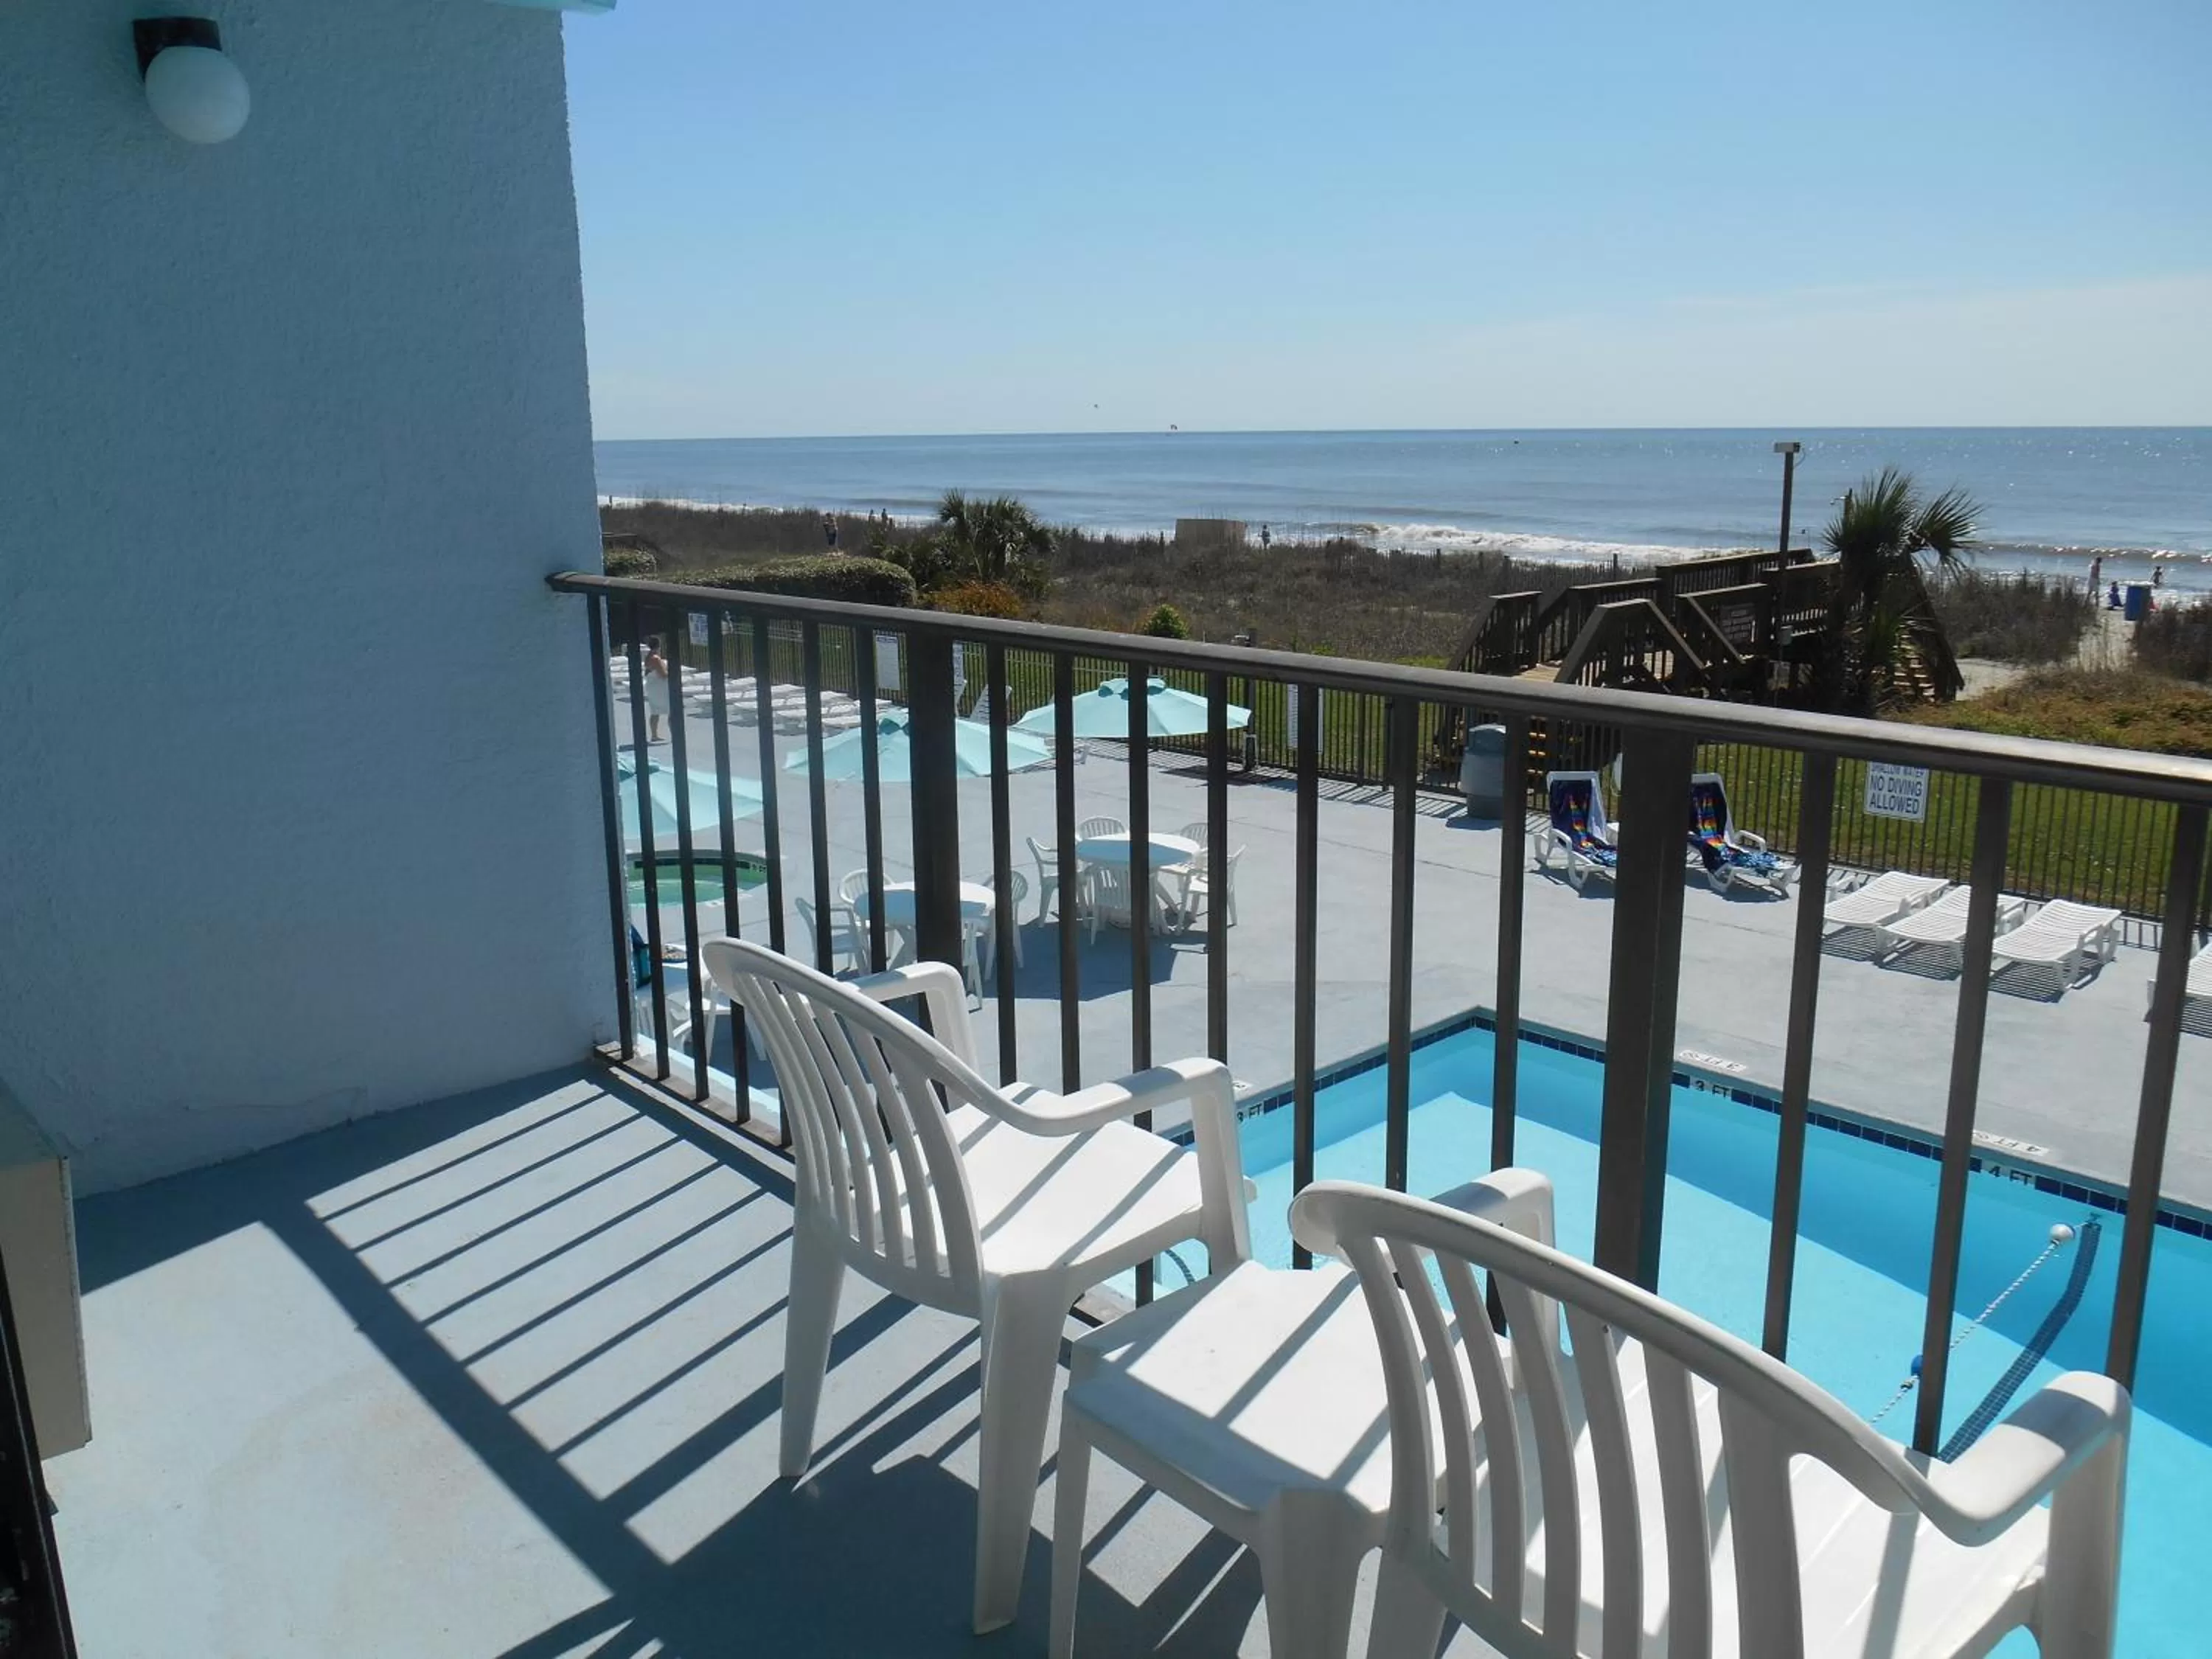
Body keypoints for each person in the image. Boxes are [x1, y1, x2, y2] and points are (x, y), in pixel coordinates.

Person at [643, 636, 672, 743]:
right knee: (671, 710)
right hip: (660, 688)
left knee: (655, 711)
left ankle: (654, 735)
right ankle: (675, 734)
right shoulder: (656, 659)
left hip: (653, 687)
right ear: (659, 646)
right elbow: (663, 675)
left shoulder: (648, 657)